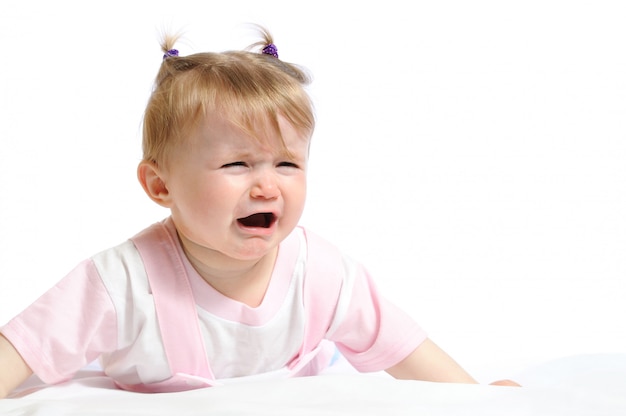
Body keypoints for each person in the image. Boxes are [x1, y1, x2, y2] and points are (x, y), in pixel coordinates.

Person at [0, 27, 517, 398]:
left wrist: (475, 397)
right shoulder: (122, 281)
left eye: (287, 162)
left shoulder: (321, 273)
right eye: (236, 164)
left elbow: (402, 346)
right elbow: (22, 349)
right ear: (160, 185)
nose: (267, 185)